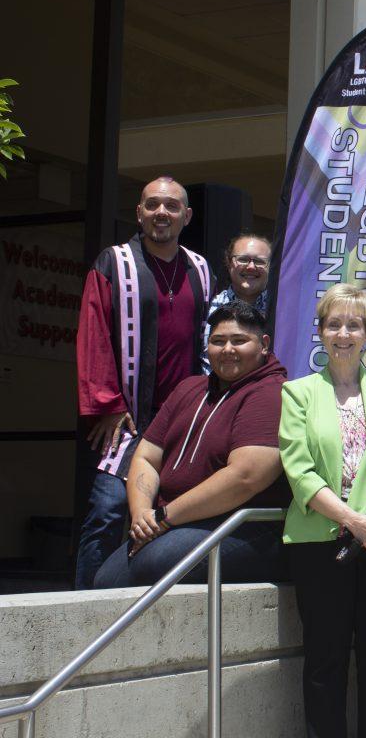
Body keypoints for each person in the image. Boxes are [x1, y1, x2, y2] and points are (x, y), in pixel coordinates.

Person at [278, 283, 366, 738]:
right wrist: (352, 521)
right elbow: (299, 470)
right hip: (321, 542)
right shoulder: (297, 393)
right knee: (326, 657)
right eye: (334, 324)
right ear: (320, 331)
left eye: (354, 325)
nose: (344, 333)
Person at [75, 175, 213, 589]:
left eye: (171, 207)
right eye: (152, 205)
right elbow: (94, 333)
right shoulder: (113, 262)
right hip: (131, 418)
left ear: (186, 216)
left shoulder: (200, 269)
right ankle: (83, 607)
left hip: (181, 423)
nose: (161, 213)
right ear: (139, 212)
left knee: (173, 512)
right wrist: (107, 404)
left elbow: (208, 341)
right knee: (109, 509)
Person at [93, 301, 288, 587]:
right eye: (218, 341)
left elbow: (245, 478)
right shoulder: (189, 388)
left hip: (242, 527)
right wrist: (141, 516)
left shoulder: (271, 393)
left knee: (150, 566)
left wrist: (162, 518)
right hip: (171, 522)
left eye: (239, 340)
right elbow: (146, 457)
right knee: (105, 579)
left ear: (264, 344)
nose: (228, 350)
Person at [201, 233, 272, 373]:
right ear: (229, 263)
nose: (251, 267)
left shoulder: (282, 310)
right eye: (243, 259)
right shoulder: (206, 307)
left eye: (260, 261)